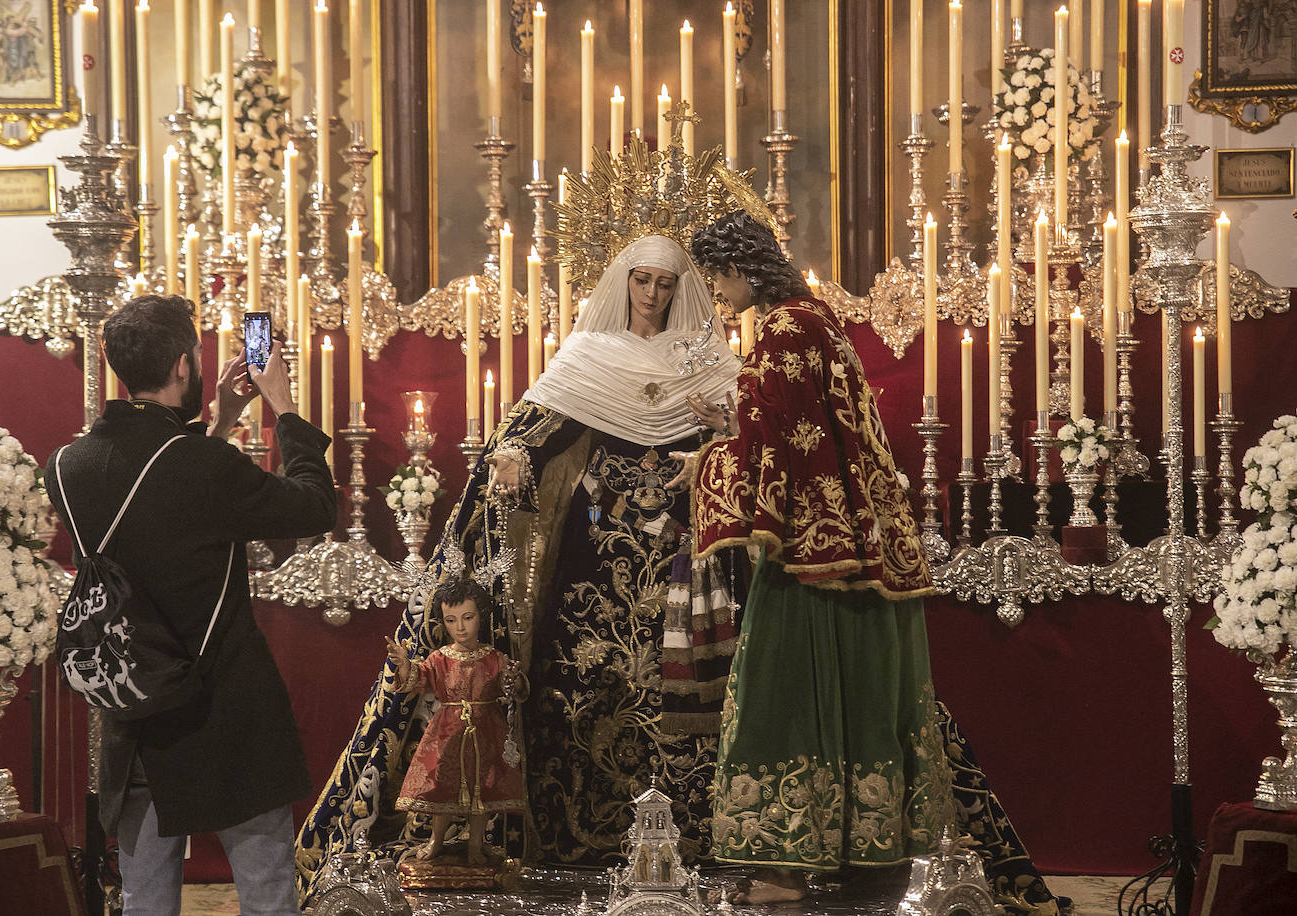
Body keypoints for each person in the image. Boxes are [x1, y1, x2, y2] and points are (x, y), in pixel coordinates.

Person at [296, 235, 742, 902]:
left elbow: (746, 445)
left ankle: (704, 844)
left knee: (691, 699)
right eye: (642, 281)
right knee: (586, 693)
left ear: (684, 290)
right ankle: (579, 847)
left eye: (666, 284)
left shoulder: (704, 362)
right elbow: (530, 435)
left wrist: (717, 441)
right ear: (623, 282)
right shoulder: (590, 357)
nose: (652, 295)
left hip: (687, 565)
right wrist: (511, 459)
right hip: (595, 569)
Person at [686, 211, 1066, 914]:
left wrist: (710, 458)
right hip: (862, 537)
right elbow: (804, 426)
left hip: (810, 550)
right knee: (862, 694)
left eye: (716, 275)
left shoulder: (778, 328)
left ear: (742, 267)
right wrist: (733, 423)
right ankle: (866, 851)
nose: (716, 291)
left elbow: (777, 447)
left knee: (783, 693)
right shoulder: (818, 316)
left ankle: (787, 866)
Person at [47, 295, 336, 916]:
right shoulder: (206, 466)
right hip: (224, 702)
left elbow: (160, 498)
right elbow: (314, 505)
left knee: (144, 896)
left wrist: (223, 417)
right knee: (264, 886)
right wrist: (282, 406)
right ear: (183, 366)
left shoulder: (67, 465)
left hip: (136, 702)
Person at [387, 577, 525, 866]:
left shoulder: (493, 657)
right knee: (442, 787)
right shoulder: (440, 658)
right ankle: (436, 840)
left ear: (481, 618)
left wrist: (513, 679)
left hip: (487, 730)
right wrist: (404, 666)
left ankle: (476, 844)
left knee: (482, 789)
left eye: (467, 618)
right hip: (447, 731)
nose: (460, 627)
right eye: (451, 620)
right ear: (444, 623)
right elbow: (419, 679)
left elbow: (511, 689)